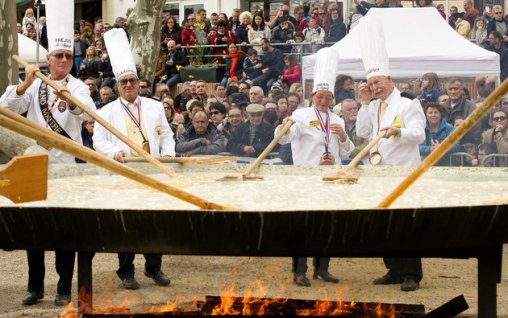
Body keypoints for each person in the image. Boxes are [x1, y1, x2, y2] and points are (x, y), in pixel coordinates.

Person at [0, 0, 96, 306]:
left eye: (68, 56)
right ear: (49, 58)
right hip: (35, 163)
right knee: (35, 229)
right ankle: (35, 287)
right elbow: (5, 109)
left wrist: (69, 102)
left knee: (65, 229)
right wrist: (22, 85)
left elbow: (89, 114)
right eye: (59, 56)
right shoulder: (34, 83)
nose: (64, 60)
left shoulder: (79, 87)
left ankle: (64, 288)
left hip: (67, 167)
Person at [94, 28, 173, 290]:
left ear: (140, 83)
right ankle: (126, 271)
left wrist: (169, 155)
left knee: (156, 223)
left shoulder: (153, 106)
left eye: (132, 81)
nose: (128, 85)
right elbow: (98, 141)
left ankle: (153, 268)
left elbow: (166, 135)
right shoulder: (106, 112)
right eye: (123, 82)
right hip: (125, 174)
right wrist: (115, 153)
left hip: (153, 172)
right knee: (127, 225)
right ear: (117, 86)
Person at [277, 48, 353, 287]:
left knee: (327, 225)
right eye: (320, 96)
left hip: (331, 179)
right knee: (303, 226)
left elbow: (348, 151)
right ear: (313, 95)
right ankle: (299, 270)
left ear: (332, 98)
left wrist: (342, 137)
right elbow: (283, 139)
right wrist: (284, 127)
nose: (323, 101)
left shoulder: (338, 119)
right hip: (306, 178)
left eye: (327, 97)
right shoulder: (300, 115)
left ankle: (322, 268)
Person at [356, 63, 426, 293]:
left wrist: (399, 132)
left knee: (405, 224)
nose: (375, 88)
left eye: (378, 83)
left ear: (389, 78)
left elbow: (419, 134)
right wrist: (364, 104)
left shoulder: (408, 104)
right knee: (382, 224)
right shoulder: (374, 106)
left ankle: (411, 274)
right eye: (371, 84)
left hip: (402, 175)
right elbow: (362, 132)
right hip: (379, 176)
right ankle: (394, 269)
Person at [444, 78, 482, 145]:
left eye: (455, 89)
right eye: (450, 89)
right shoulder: (442, 107)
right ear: (447, 91)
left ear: (461, 90)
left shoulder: (471, 107)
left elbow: (476, 130)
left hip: (465, 147)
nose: (453, 92)